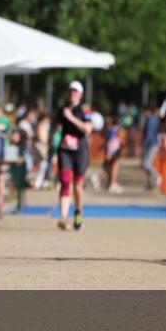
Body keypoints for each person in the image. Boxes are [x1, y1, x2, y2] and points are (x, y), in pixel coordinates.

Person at [54, 81, 93, 231]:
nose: (72, 93)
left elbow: (87, 129)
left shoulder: (85, 110)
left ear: (80, 94)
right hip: (65, 150)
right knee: (65, 182)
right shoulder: (62, 109)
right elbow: (56, 128)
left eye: (75, 91)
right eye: (71, 90)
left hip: (80, 152)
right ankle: (63, 217)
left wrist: (71, 117)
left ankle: (78, 212)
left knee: (77, 186)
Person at [140, 105, 162, 189]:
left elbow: (148, 134)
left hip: (151, 144)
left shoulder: (150, 120)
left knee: (146, 163)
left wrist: (144, 144)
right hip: (152, 143)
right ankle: (150, 183)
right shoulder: (153, 119)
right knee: (148, 163)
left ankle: (157, 176)